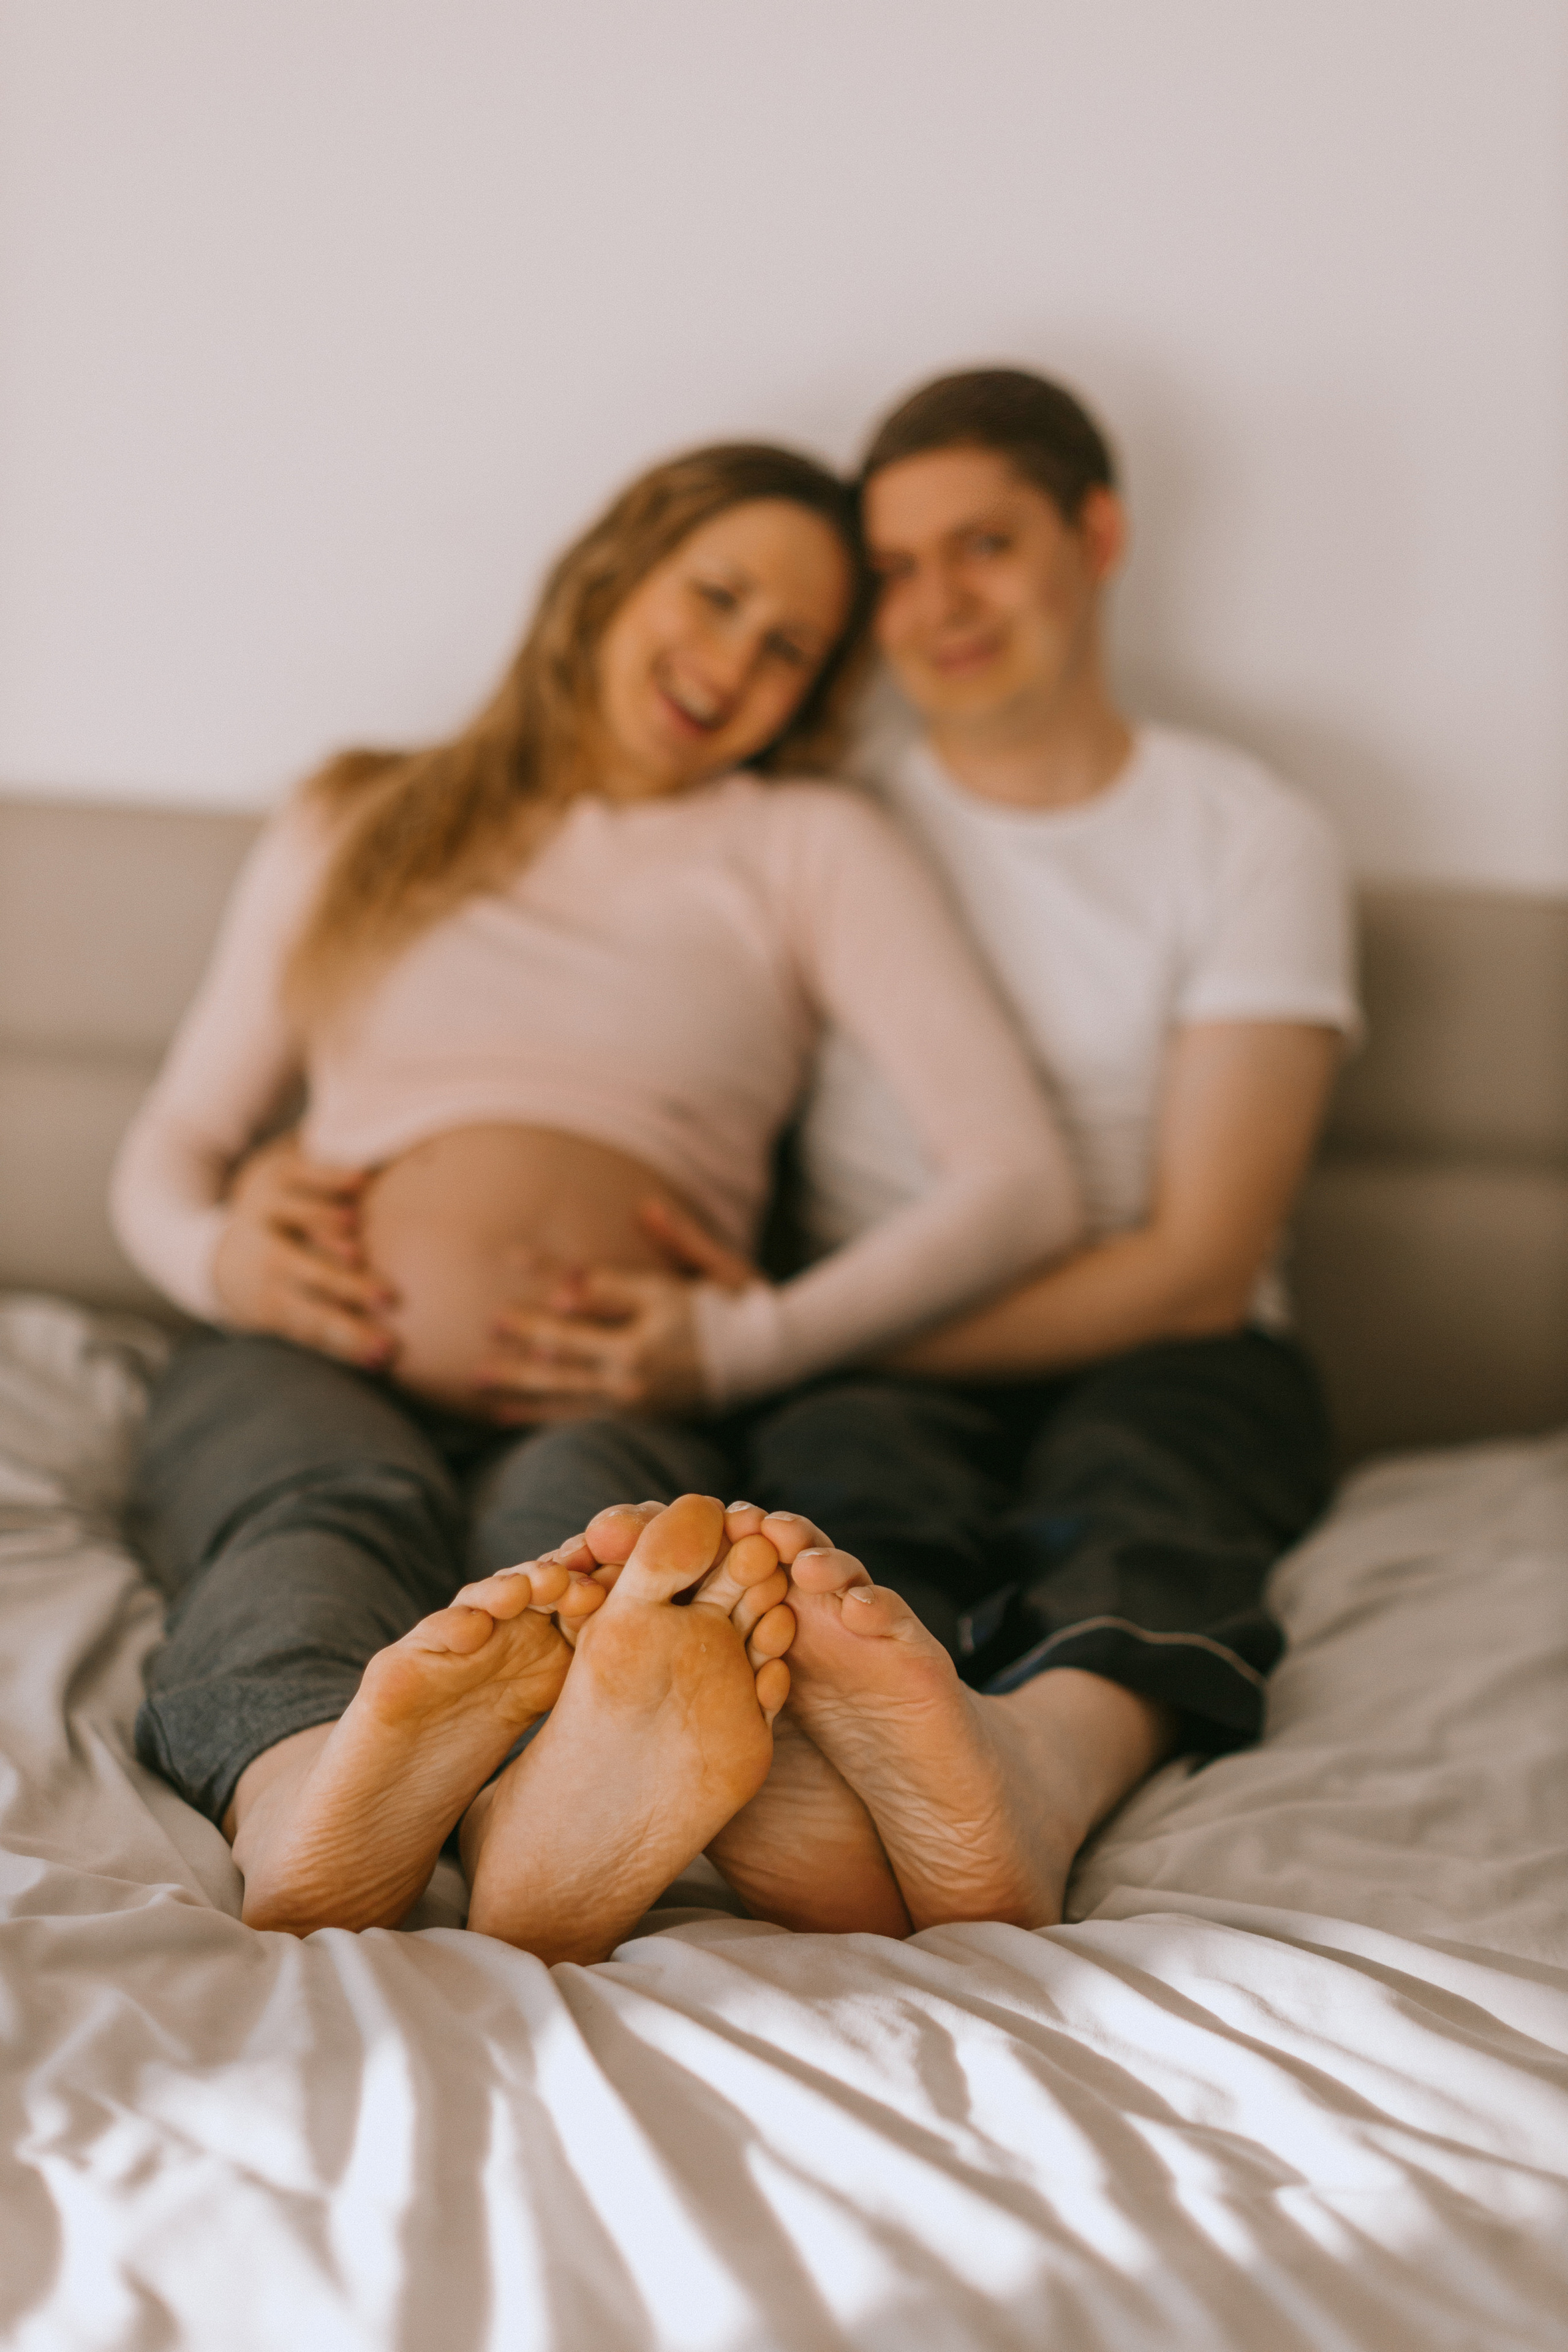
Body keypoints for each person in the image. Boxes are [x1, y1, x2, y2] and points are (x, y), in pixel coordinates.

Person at [111, 440, 1082, 1961]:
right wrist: (222, 1256)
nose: (729, 664)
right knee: (307, 1513)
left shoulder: (803, 845)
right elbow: (171, 1142)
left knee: (601, 1556)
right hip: (307, 1343)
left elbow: (1018, 1186)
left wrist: (736, 1348)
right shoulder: (363, 814)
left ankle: (532, 1812)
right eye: (712, 597)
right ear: (612, 569)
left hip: (603, 1374)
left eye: (788, 653)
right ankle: (309, 1802)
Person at [496, 370, 1361, 1940]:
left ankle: (1037, 1768)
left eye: (983, 547)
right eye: (893, 572)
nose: (937, 605)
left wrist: (772, 1340)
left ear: (1092, 536)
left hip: (1170, 1347)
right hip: (861, 1353)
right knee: (838, 1512)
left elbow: (1199, 1264)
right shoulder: (813, 819)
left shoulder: (1248, 834)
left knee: (1143, 1499)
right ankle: (840, 1772)